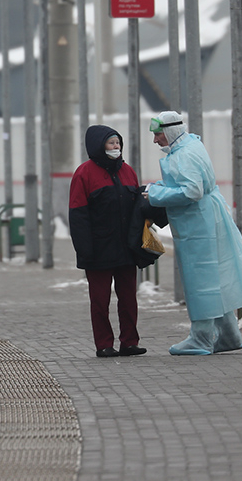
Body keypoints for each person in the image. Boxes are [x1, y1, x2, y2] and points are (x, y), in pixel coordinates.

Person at [144, 111, 242, 355]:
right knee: (215, 278)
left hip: (197, 225)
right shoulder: (191, 146)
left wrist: (155, 194)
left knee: (200, 281)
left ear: (169, 131)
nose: (155, 140)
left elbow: (191, 191)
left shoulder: (184, 155)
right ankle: (229, 335)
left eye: (157, 134)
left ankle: (200, 338)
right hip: (207, 218)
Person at [69, 125, 147, 358]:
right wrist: (85, 249)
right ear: (98, 146)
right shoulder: (84, 173)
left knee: (128, 298)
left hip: (126, 248)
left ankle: (129, 342)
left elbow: (136, 210)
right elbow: (78, 214)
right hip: (98, 249)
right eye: (111, 143)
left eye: (118, 143)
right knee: (100, 300)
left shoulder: (128, 171)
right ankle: (104, 343)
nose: (116, 147)